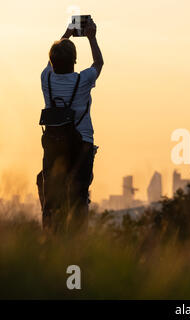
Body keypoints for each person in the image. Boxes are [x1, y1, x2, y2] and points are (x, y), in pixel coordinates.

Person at [39, 18, 103, 233]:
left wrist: (66, 33)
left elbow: (51, 61)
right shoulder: (83, 79)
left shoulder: (45, 78)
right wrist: (92, 38)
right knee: (79, 196)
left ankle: (50, 238)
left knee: (51, 196)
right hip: (81, 144)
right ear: (75, 61)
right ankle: (78, 243)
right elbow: (98, 64)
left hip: (54, 144)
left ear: (52, 60)